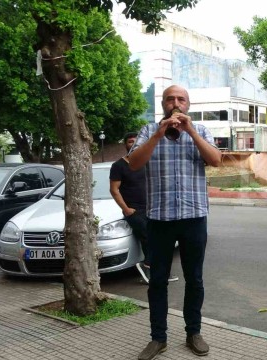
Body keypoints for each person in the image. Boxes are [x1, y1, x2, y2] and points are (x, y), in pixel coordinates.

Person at [128, 85, 222, 360]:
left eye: (181, 99)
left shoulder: (201, 131)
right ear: (163, 104)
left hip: (194, 217)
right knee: (157, 281)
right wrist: (159, 132)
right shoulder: (148, 131)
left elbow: (216, 159)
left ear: (188, 104)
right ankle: (158, 338)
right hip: (159, 218)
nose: (176, 103)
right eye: (170, 99)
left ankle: (194, 332)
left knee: (195, 279)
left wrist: (190, 131)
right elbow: (133, 164)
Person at [109, 132, 178, 285]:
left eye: (135, 141)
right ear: (125, 144)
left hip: (152, 208)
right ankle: (147, 264)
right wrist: (126, 209)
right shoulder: (118, 166)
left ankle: (157, 272)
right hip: (134, 210)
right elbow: (114, 190)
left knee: (156, 239)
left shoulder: (146, 162)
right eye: (129, 141)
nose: (132, 144)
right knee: (149, 237)